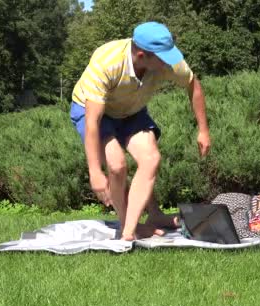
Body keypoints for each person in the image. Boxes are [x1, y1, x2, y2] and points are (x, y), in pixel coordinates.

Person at [69, 22, 211, 241]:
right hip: (97, 112)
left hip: (132, 110)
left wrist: (203, 130)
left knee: (151, 159)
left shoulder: (169, 62)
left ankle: (142, 224)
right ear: (142, 55)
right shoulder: (106, 62)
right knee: (117, 166)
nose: (170, 63)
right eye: (164, 58)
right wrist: (95, 172)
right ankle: (128, 226)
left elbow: (193, 85)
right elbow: (92, 122)